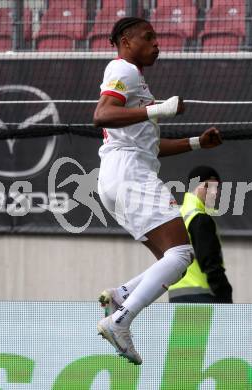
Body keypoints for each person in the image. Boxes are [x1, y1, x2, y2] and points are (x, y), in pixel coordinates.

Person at [94, 17, 222, 365]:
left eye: (156, 38)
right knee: (181, 256)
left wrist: (196, 143)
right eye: (147, 37)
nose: (156, 43)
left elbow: (148, 147)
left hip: (121, 175)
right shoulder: (123, 69)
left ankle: (122, 295)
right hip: (130, 176)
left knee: (174, 261)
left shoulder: (134, 79)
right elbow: (102, 114)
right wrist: (160, 108)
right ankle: (120, 319)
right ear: (125, 40)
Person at [168, 166, 233, 303]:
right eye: (208, 186)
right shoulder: (200, 218)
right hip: (202, 296)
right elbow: (210, 262)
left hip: (177, 294)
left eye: (216, 187)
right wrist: (224, 293)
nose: (213, 192)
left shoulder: (177, 215)